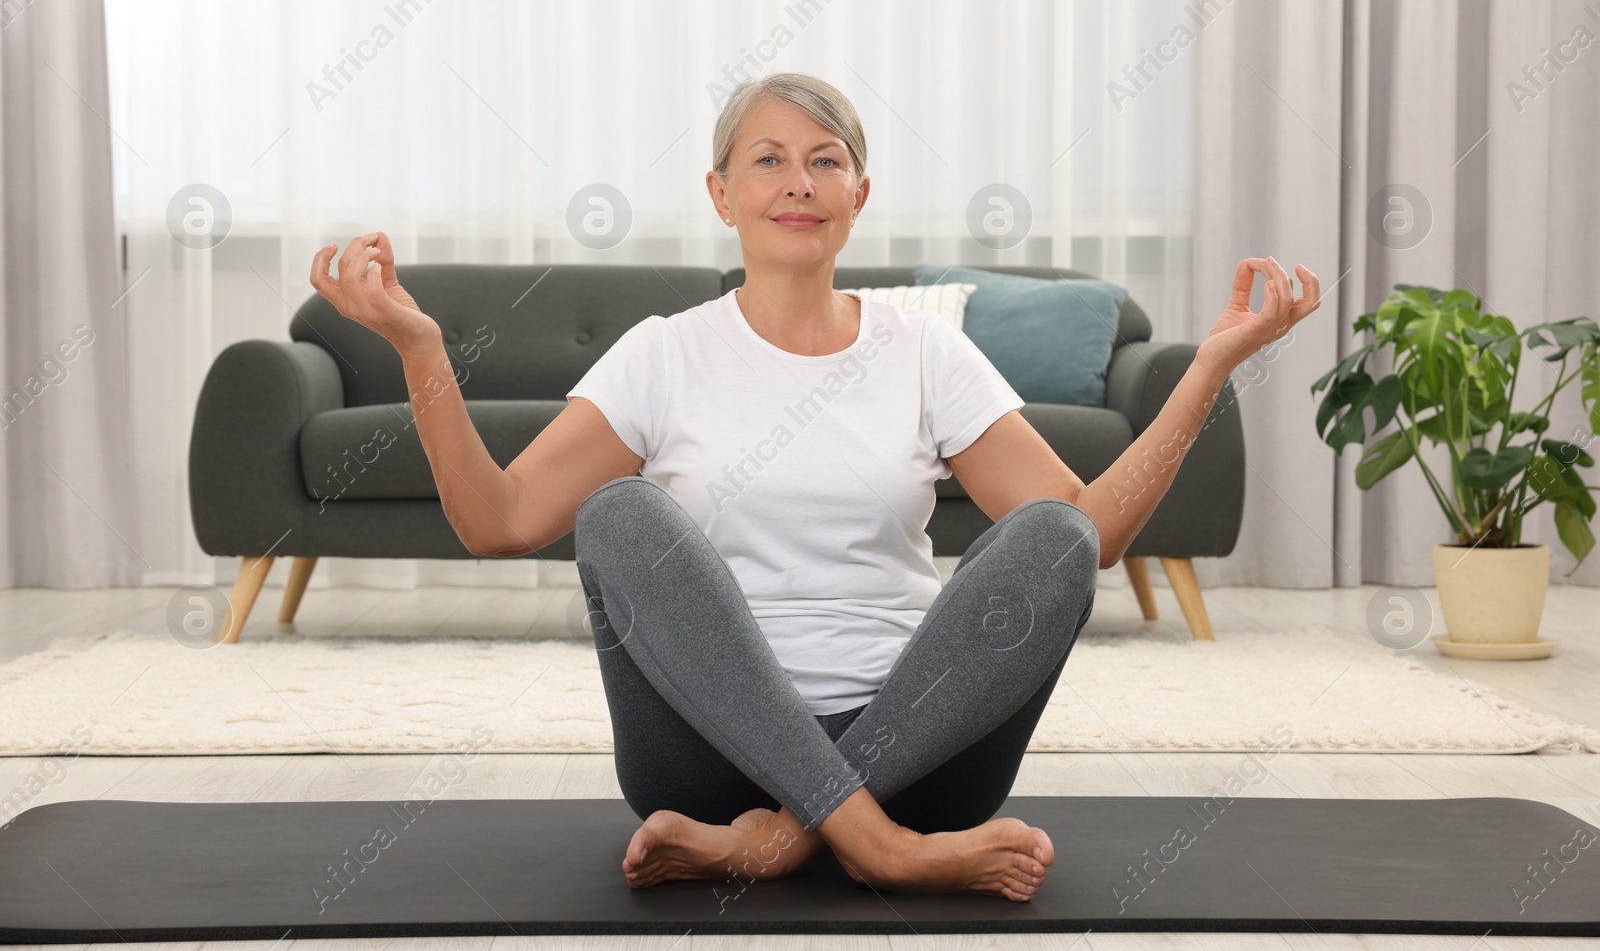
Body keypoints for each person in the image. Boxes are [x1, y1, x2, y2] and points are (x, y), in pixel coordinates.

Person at [309, 72, 1321, 903]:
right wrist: (419, 344)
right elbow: (498, 521)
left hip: (927, 756)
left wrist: (1211, 367)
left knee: (1048, 531)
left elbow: (1086, 535)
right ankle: (878, 847)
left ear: (858, 195)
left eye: (824, 160)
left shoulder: (923, 347)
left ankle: (794, 833)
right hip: (704, 764)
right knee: (618, 511)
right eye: (769, 159)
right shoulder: (662, 355)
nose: (798, 182)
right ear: (719, 194)